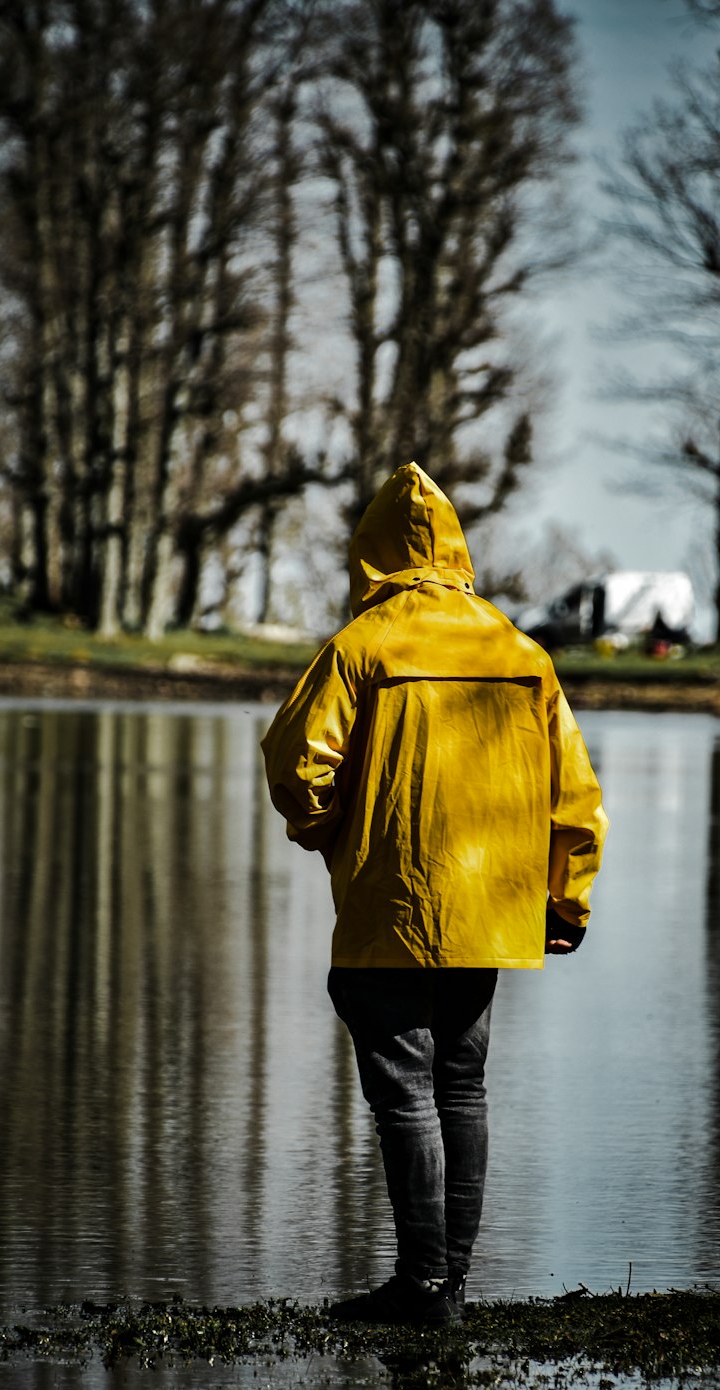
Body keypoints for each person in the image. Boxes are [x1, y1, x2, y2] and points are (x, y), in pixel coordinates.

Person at [261, 461, 607, 1326]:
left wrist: (330, 832)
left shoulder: (362, 647)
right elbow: (575, 792)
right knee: (461, 1083)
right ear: (455, 549)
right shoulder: (520, 652)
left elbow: (297, 763)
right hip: (492, 908)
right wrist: (567, 898)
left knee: (404, 1088)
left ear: (372, 553)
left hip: (393, 898)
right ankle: (448, 1283)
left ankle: (423, 1287)